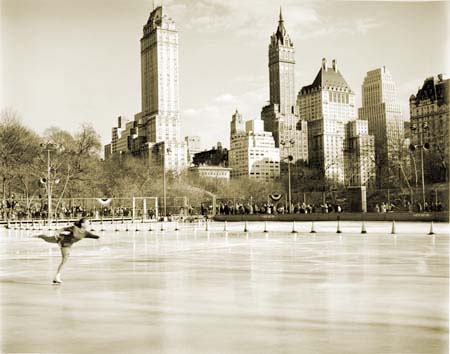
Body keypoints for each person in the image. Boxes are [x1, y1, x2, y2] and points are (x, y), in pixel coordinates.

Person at [33, 218, 100, 284]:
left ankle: (56, 277)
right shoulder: (74, 228)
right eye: (87, 223)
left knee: (64, 260)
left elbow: (94, 236)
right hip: (61, 239)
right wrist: (57, 232)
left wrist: (98, 237)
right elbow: (64, 229)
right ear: (82, 224)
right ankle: (39, 236)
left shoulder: (85, 233)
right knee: (47, 239)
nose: (89, 224)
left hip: (66, 246)